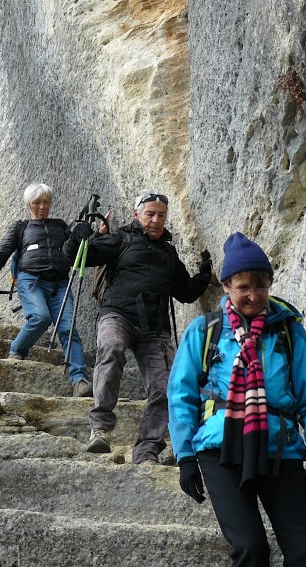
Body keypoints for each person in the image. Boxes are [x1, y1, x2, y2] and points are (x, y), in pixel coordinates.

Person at [167, 232, 306, 567]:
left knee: (304, 552)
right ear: (227, 285)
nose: (254, 295)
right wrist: (185, 456)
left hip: (280, 450)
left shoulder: (288, 331)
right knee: (250, 548)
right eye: (244, 287)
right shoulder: (205, 331)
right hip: (220, 450)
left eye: (261, 286)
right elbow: (181, 395)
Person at [82, 190, 211, 463]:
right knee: (111, 347)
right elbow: (82, 256)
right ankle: (101, 428)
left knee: (167, 387)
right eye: (150, 214)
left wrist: (204, 276)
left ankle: (147, 449)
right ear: (136, 214)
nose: (155, 220)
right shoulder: (121, 238)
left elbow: (185, 293)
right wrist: (81, 234)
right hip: (117, 314)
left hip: (155, 328)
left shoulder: (168, 252)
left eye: (161, 215)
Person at [0, 183, 95, 397]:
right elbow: (2, 251)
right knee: (40, 317)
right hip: (31, 280)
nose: (42, 207)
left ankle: (79, 380)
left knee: (68, 329)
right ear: (28, 205)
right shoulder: (20, 227)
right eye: (36, 203)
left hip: (61, 283)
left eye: (45, 202)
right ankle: (18, 350)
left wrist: (95, 235)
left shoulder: (60, 226)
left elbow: (77, 249)